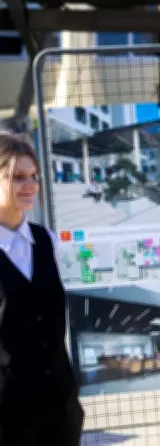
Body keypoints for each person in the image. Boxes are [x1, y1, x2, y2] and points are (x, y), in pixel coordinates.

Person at [0, 133, 84, 445]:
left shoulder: (46, 240)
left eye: (34, 176)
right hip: (7, 415)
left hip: (59, 409)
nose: (30, 185)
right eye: (17, 177)